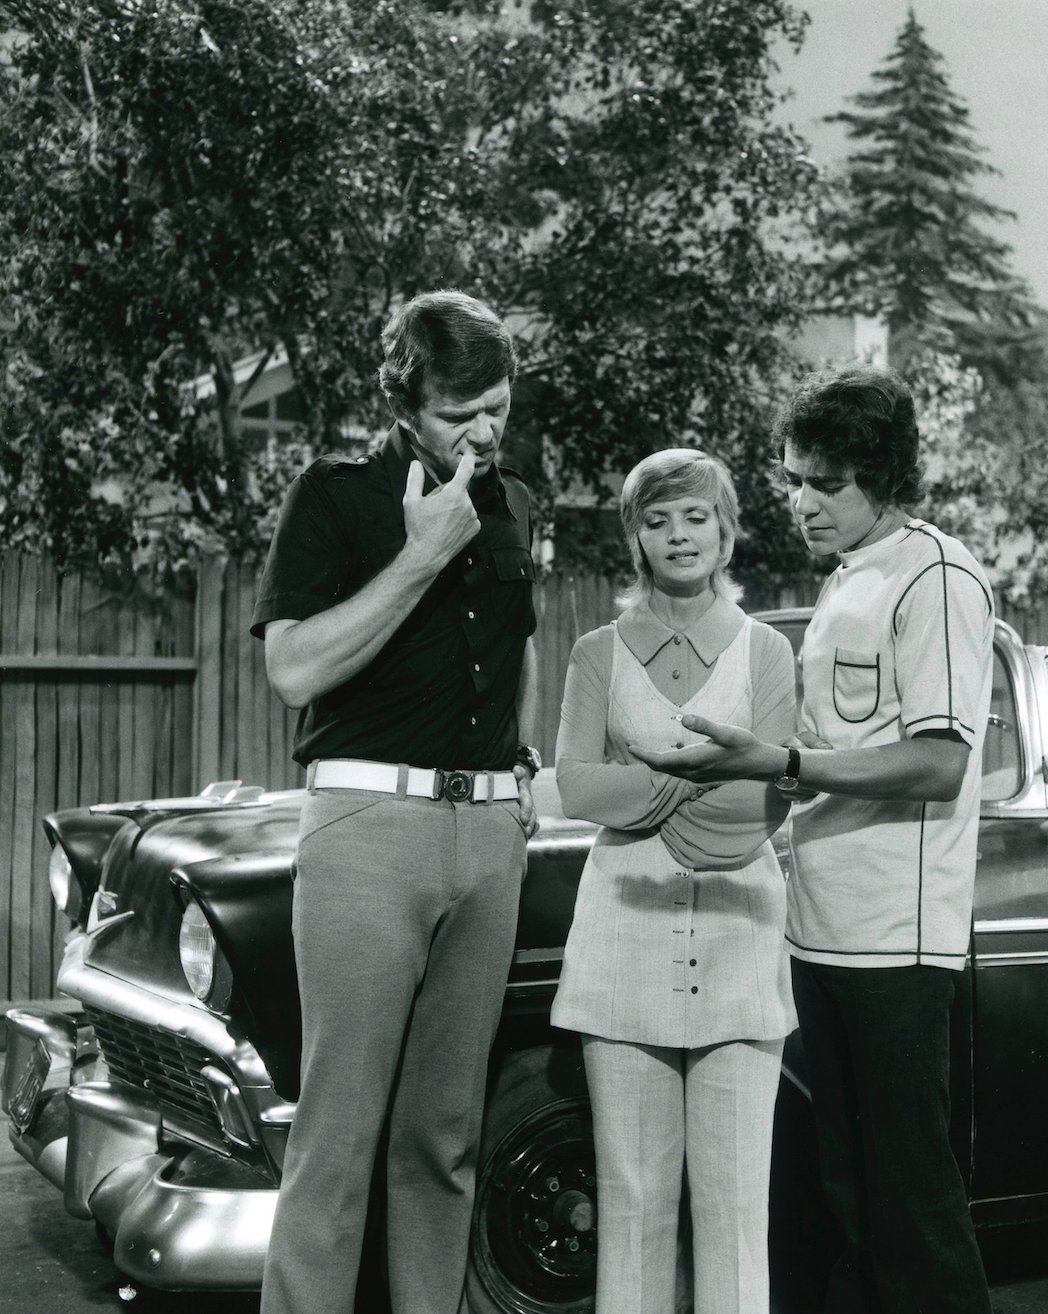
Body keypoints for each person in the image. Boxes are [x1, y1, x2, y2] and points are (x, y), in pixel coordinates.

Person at [631, 364, 995, 1314]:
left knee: (913, 1209)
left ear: (883, 478)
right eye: (792, 479)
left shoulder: (939, 575)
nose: (801, 502)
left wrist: (779, 763)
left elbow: (937, 764)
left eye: (826, 483)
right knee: (846, 1203)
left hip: (896, 943)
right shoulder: (843, 586)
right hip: (818, 935)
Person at [250, 290, 542, 1314]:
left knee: (447, 1135)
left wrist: (520, 778)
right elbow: (293, 669)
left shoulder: (513, 500)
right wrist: (421, 551)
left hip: (488, 835)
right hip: (369, 832)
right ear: (404, 404)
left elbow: (517, 649)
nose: (484, 431)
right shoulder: (332, 495)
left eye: (497, 406)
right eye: (460, 412)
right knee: (338, 1139)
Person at [550, 448, 798, 1314]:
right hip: (621, 937)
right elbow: (577, 786)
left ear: (726, 531)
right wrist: (696, 778)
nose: (678, 535)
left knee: (735, 1207)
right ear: (635, 540)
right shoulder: (596, 652)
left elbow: (757, 813)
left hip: (740, 938)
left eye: (696, 516)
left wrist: (646, 787)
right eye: (657, 520)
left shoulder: (767, 652)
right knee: (632, 1201)